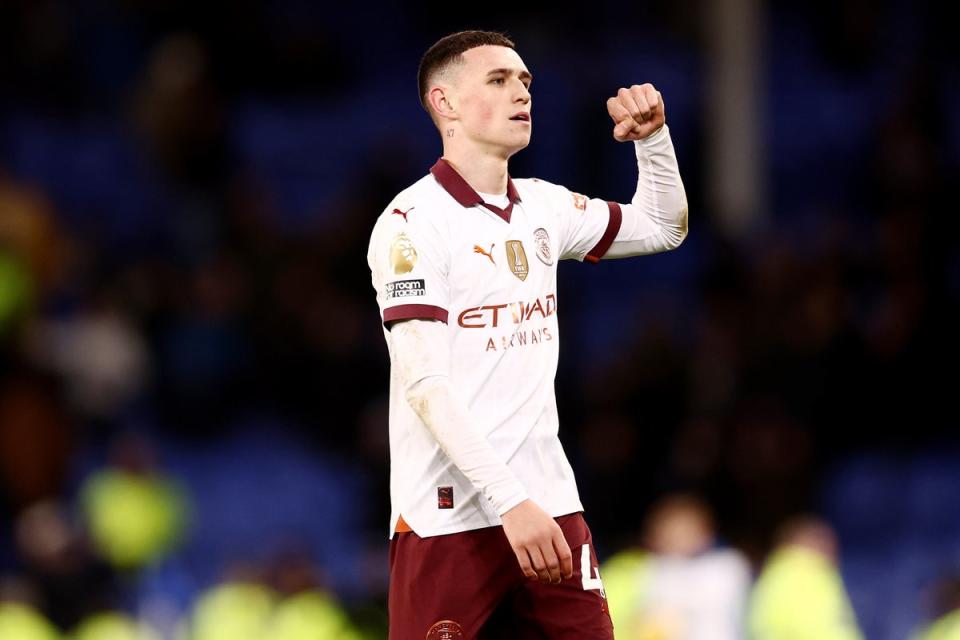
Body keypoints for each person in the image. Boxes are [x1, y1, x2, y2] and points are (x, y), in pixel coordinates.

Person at [366, 30, 688, 638]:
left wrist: (653, 140)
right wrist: (507, 501)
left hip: (550, 507)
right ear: (445, 103)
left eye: (526, 82)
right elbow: (427, 386)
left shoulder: (543, 207)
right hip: (449, 519)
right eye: (498, 80)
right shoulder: (410, 224)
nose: (522, 92)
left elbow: (661, 227)